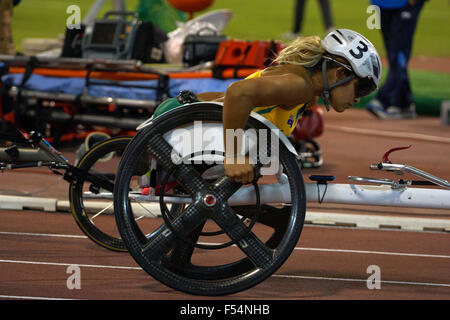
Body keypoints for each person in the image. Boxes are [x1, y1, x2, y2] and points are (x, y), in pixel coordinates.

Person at [152, 29, 382, 184]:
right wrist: (233, 156)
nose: (359, 99)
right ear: (340, 73)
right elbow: (238, 92)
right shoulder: (299, 86)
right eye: (361, 89)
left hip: (187, 119)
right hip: (178, 119)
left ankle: (176, 255)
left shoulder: (307, 93)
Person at [366, 0, 427, 119]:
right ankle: (404, 103)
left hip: (405, 4)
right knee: (393, 55)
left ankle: (383, 99)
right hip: (381, 4)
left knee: (398, 54)